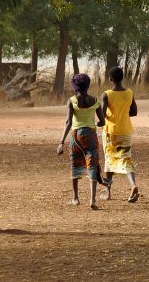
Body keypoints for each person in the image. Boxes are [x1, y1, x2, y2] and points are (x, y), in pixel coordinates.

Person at [57, 73, 110, 209]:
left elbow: (68, 122)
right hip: (91, 135)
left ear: (75, 86)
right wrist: (97, 124)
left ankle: (76, 198)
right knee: (92, 165)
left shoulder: (72, 101)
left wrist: (61, 142)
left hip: (76, 136)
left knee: (75, 164)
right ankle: (92, 200)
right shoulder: (96, 101)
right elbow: (102, 121)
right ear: (88, 85)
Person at [100, 66, 139, 203]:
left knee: (109, 161)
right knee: (126, 159)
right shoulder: (129, 93)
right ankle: (133, 185)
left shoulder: (107, 94)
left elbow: (102, 114)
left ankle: (108, 192)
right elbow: (134, 112)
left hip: (111, 132)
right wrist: (122, 114)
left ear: (110, 78)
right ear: (122, 77)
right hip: (126, 131)